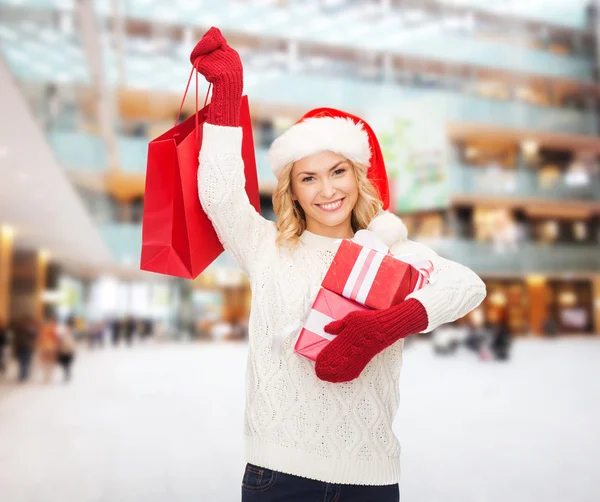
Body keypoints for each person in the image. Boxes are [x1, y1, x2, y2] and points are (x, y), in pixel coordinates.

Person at [192, 27, 487, 501]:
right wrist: (227, 92)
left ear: (358, 175)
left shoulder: (391, 254)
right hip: (278, 472)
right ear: (292, 190)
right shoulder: (267, 246)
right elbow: (220, 195)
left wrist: (385, 326)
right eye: (308, 178)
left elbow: (466, 285)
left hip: (369, 476)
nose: (327, 191)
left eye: (337, 172)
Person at [13, 316, 38, 382]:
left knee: (25, 361)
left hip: (26, 347)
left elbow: (34, 336)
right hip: (23, 346)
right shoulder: (20, 328)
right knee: (23, 361)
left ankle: (24, 374)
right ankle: (24, 374)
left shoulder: (27, 328)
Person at [39, 315, 60, 383]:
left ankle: (46, 376)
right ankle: (48, 376)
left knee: (46, 362)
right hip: (51, 347)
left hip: (46, 346)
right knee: (50, 362)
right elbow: (56, 339)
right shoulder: (53, 328)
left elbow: (42, 338)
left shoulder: (45, 328)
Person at [57, 318, 76, 383]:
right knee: (64, 363)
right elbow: (60, 341)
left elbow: (73, 343)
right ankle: (66, 372)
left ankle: (67, 373)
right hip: (64, 350)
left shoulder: (72, 333)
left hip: (69, 350)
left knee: (68, 363)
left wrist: (73, 350)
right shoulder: (62, 332)